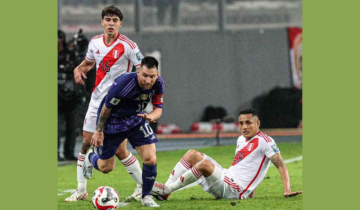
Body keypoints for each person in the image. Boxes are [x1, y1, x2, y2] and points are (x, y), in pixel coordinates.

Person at [65, 5, 144, 202]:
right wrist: (78, 68)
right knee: (85, 142)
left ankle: (143, 187)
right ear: (102, 22)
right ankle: (81, 190)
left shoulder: (129, 46)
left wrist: (134, 93)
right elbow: (89, 62)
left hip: (119, 105)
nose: (111, 24)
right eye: (108, 20)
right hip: (97, 100)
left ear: (120, 24)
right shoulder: (94, 42)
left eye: (115, 20)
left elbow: (142, 71)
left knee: (119, 151)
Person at [151, 108, 302, 200]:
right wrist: (251, 192)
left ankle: (168, 189)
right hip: (227, 177)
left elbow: (281, 165)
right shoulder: (240, 139)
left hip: (234, 190)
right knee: (192, 154)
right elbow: (247, 166)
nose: (244, 127)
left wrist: (287, 189)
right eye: (241, 123)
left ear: (258, 123)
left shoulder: (266, 141)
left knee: (203, 165)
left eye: (248, 123)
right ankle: (165, 190)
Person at [83, 56, 164, 207]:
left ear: (157, 75)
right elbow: (106, 107)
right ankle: (90, 158)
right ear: (138, 71)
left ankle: (146, 196)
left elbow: (158, 108)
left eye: (152, 76)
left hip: (135, 119)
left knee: (150, 158)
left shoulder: (158, 84)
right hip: (113, 122)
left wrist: (150, 116)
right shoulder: (123, 84)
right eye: (145, 75)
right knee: (106, 167)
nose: (148, 80)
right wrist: (99, 130)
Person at [58, 29, 79, 161]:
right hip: (56, 96)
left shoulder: (70, 54)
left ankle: (69, 152)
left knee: (72, 125)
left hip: (71, 96)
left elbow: (79, 70)